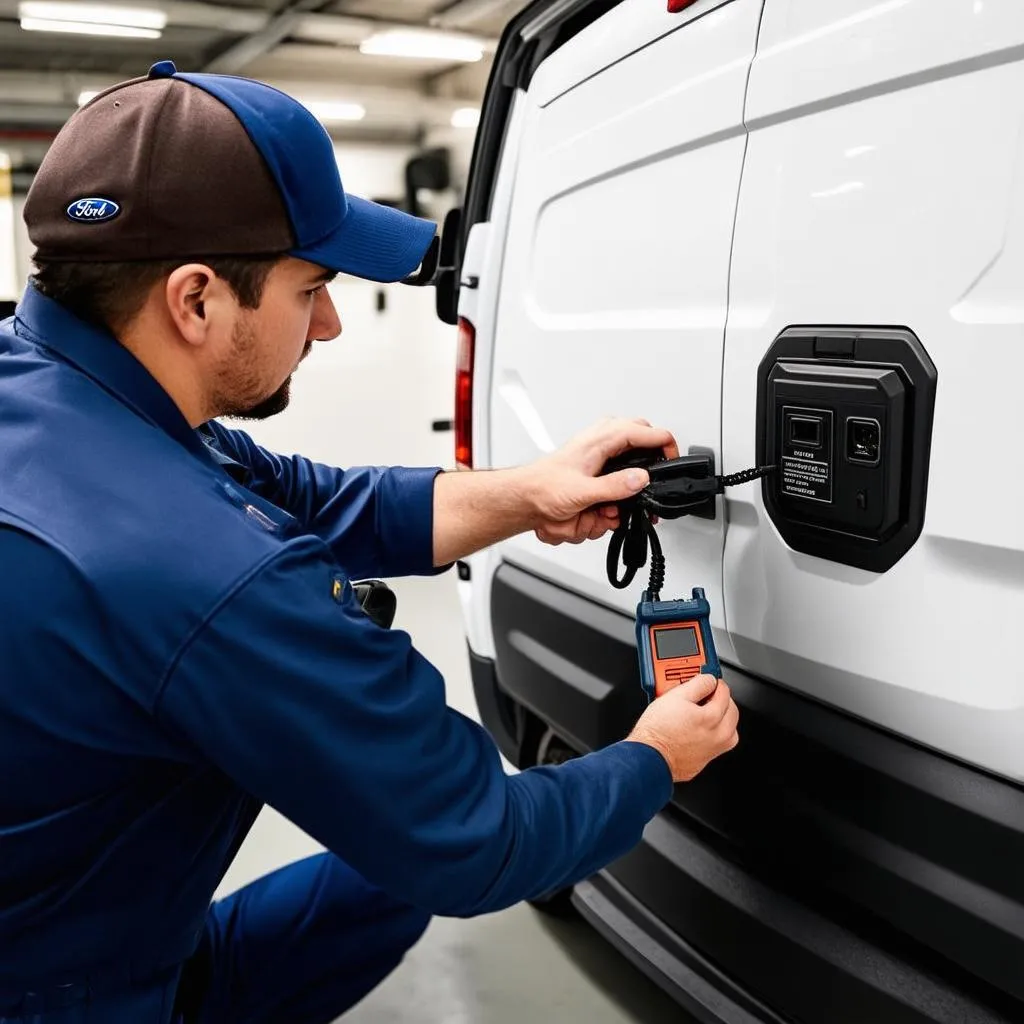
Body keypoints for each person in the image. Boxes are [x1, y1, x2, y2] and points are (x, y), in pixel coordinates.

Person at [0, 62, 740, 1024]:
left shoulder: (64, 393)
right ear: (195, 300)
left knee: (383, 885)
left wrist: (528, 493)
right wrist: (654, 757)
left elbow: (314, 500)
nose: (335, 322)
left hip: (58, 920)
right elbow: (481, 840)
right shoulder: (205, 572)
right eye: (313, 287)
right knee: (428, 851)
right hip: (68, 995)